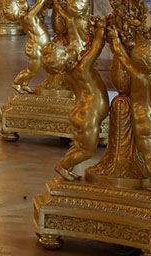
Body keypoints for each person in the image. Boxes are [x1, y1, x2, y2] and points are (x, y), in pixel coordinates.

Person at [108, 29, 151, 190]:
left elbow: (122, 56)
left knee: (148, 154)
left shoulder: (138, 77)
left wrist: (115, 38)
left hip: (144, 121)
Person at [46, 18, 109, 181]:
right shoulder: (82, 68)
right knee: (87, 150)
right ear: (67, 60)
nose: (71, 50)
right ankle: (64, 165)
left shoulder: (68, 73)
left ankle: (66, 167)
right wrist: (101, 30)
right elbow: (96, 48)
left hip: (81, 111)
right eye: (66, 51)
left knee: (79, 146)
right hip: (88, 113)